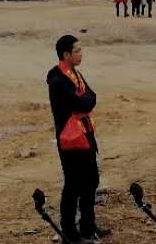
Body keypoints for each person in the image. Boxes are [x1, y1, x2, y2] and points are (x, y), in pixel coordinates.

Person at [48, 35, 105, 244]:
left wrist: (85, 101)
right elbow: (83, 102)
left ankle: (88, 226)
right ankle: (69, 232)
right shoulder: (57, 80)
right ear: (66, 54)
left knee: (91, 180)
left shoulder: (75, 73)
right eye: (77, 51)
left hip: (85, 132)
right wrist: (85, 102)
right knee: (73, 184)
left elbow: (91, 97)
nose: (81, 54)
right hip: (70, 138)